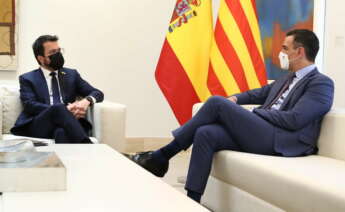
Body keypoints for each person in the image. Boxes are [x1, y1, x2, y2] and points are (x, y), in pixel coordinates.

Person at [127, 29, 334, 202]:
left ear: (299, 52)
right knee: (206, 133)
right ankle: (192, 200)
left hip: (283, 140)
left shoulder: (321, 83)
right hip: (265, 132)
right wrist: (235, 100)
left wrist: (255, 113)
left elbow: (295, 119)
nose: (280, 52)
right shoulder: (287, 78)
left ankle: (162, 156)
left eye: (285, 48)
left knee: (216, 102)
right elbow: (258, 93)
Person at [11, 35, 104, 144]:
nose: (58, 55)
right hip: (40, 124)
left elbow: (98, 93)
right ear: (41, 58)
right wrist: (64, 110)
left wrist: (86, 101)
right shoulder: (27, 78)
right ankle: (89, 146)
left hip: (68, 123)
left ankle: (66, 160)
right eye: (53, 52)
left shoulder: (71, 75)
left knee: (61, 132)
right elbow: (30, 105)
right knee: (59, 108)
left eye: (59, 50)